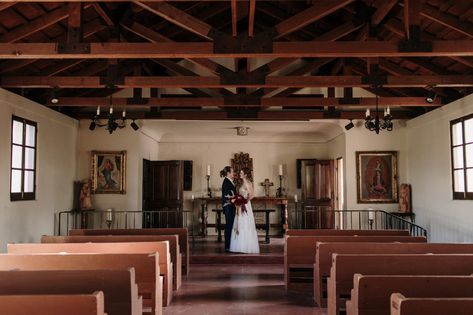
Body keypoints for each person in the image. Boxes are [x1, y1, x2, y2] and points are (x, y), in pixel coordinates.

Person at [230, 167, 260, 254]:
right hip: (240, 206)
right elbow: (240, 194)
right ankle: (239, 246)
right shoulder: (242, 183)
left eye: (242, 173)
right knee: (239, 223)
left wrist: (245, 201)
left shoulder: (247, 183)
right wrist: (238, 199)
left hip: (245, 206)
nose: (240, 174)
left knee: (245, 223)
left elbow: (252, 195)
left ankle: (246, 246)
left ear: (245, 175)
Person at [220, 166, 236, 253]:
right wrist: (235, 199)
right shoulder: (226, 182)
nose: (233, 173)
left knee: (230, 226)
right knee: (229, 226)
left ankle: (230, 245)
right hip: (228, 207)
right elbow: (227, 197)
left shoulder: (229, 181)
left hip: (231, 207)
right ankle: (227, 246)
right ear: (228, 173)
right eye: (232, 172)